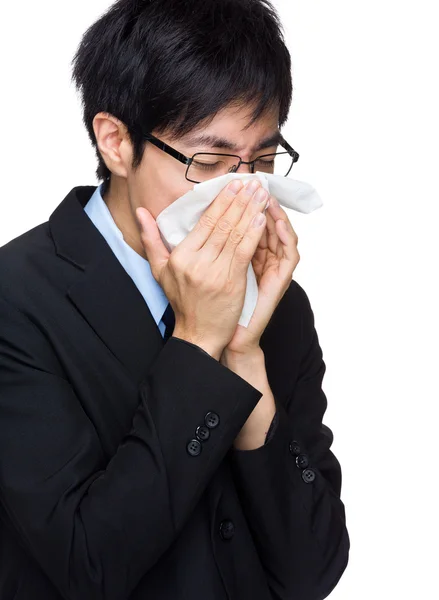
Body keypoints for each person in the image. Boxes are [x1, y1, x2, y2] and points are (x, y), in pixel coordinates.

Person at [0, 0, 350, 598]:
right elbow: (90, 568)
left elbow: (312, 569)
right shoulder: (16, 299)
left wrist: (243, 357)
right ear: (115, 142)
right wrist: (198, 341)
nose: (241, 193)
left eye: (263, 160)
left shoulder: (278, 303)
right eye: (209, 162)